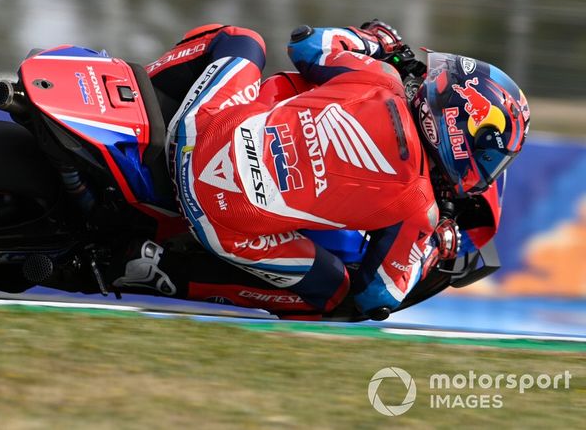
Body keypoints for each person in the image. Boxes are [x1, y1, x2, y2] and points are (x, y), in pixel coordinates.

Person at [113, 21, 530, 319]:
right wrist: (439, 244)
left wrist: (371, 41)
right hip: (220, 223)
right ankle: (165, 273)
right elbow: (379, 295)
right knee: (337, 294)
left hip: (196, 132)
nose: (486, 170)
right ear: (461, 132)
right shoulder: (419, 209)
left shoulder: (379, 77)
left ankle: (130, 108)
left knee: (239, 40)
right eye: (489, 157)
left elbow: (306, 44)